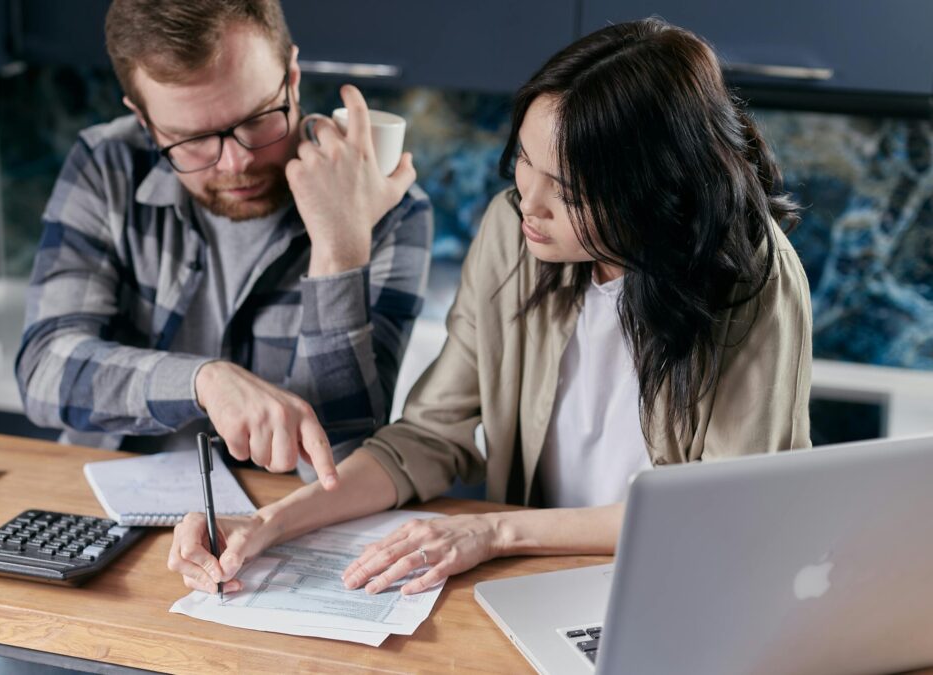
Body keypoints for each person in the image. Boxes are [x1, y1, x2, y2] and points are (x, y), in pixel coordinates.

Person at [168, 18, 813, 598]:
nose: (527, 203)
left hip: (682, 589)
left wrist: (496, 532)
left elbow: (722, 512)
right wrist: (268, 524)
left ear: (653, 192)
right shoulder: (513, 232)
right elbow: (425, 437)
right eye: (525, 165)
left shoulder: (753, 277)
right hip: (534, 583)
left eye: (566, 191)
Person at [15, 0, 433, 488]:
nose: (235, 163)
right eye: (191, 140)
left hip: (284, 523)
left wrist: (339, 252)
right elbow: (44, 370)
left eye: (257, 119)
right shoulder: (107, 165)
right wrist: (204, 382)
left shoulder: (389, 208)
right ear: (145, 121)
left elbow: (341, 465)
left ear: (292, 76)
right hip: (110, 502)